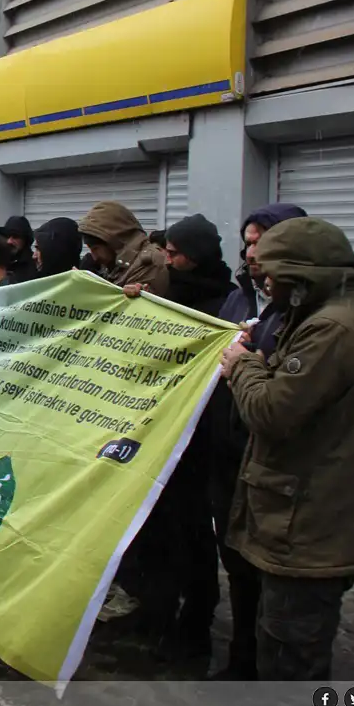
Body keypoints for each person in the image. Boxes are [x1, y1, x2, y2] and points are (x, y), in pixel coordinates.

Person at [220, 217, 354, 706]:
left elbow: (273, 411)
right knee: (286, 650)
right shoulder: (318, 317)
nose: (264, 285)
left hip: (310, 526)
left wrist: (241, 367)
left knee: (294, 657)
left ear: (303, 273)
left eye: (273, 275)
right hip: (299, 518)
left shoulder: (331, 329)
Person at [122, 214, 234, 662]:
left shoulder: (223, 300)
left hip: (200, 436)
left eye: (174, 253)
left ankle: (196, 622)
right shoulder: (165, 292)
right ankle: (157, 610)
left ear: (198, 254)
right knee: (158, 528)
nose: (165, 259)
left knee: (192, 532)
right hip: (161, 428)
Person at [208, 202, 307, 680]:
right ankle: (242, 658)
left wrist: (246, 359)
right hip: (230, 453)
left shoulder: (306, 315)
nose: (251, 253)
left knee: (268, 580)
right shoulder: (238, 296)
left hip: (268, 461)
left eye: (260, 243)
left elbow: (279, 391)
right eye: (246, 243)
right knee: (238, 564)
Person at [78, 201, 169, 294]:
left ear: (114, 242)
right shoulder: (117, 263)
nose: (94, 257)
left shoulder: (149, 262)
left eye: (96, 249)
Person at [0, 216, 40, 284]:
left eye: (15, 237)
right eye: (7, 236)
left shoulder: (35, 265)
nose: (9, 241)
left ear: (25, 239)